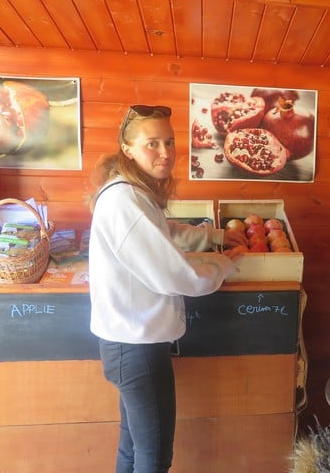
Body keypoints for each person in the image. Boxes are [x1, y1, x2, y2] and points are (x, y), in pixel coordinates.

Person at [88, 104, 246, 473]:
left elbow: (164, 232)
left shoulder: (130, 192)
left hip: (128, 344)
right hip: (137, 347)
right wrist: (226, 263)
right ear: (127, 148)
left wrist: (214, 235)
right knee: (155, 457)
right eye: (152, 144)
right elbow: (179, 276)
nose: (165, 153)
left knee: (133, 450)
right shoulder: (124, 200)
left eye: (170, 142)